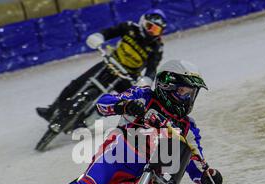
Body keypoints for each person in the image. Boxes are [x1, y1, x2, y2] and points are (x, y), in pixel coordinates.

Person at [11, 60, 223, 184]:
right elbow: (103, 104)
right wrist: (124, 106)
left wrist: (206, 175)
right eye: (183, 92)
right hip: (117, 157)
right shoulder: (144, 96)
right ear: (167, 86)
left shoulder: (187, 126)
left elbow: (194, 158)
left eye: (191, 93)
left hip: (149, 175)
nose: (188, 98)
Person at [36, 9, 167, 122]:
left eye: (156, 31)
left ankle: (89, 121)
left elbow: (152, 67)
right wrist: (99, 37)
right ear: (142, 22)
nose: (151, 32)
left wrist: (146, 80)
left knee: (125, 103)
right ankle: (51, 110)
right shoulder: (129, 27)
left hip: (127, 76)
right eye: (150, 27)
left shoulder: (156, 47)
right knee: (76, 84)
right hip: (110, 63)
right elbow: (109, 32)